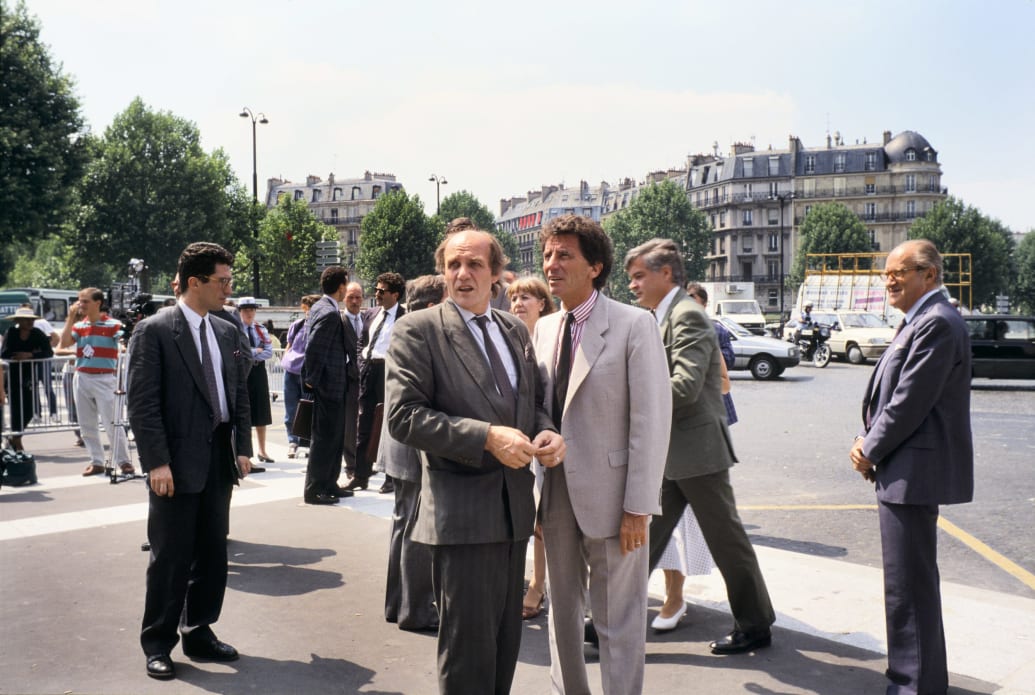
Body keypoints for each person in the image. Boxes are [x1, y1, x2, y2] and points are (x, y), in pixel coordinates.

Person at [386, 228, 564, 695]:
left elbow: (532, 401)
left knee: (505, 645)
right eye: (453, 266)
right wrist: (485, 437)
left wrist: (545, 429)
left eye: (475, 265)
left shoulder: (511, 329)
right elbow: (403, 418)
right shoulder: (418, 330)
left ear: (497, 275)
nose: (463, 275)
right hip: (461, 517)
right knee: (467, 652)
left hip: (513, 512)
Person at [533, 215, 670, 695]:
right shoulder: (545, 328)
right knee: (560, 618)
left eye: (564, 255)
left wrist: (639, 506)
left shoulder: (636, 325)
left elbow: (651, 423)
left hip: (616, 502)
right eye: (548, 254)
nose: (551, 264)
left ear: (595, 266)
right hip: (554, 493)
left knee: (618, 621)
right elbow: (542, 408)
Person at [626, 238, 776, 656]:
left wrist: (627, 405)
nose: (633, 286)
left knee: (726, 542)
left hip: (696, 454)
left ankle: (755, 625)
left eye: (639, 276)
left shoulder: (687, 316)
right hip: (673, 454)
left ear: (666, 274)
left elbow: (685, 388)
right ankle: (609, 622)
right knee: (641, 542)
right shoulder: (662, 316)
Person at [850, 239, 973, 695]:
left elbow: (909, 401)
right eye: (886, 273)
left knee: (909, 591)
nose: (889, 281)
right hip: (903, 468)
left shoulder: (936, 322)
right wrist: (866, 443)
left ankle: (913, 686)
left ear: (930, 275)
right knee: (907, 588)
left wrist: (870, 449)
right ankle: (916, 681)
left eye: (898, 272)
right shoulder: (923, 320)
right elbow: (893, 397)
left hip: (911, 472)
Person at [127, 241, 253, 681]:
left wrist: (242, 447)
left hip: (218, 456)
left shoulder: (226, 330)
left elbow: (236, 391)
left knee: (212, 553)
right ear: (194, 282)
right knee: (171, 556)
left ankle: (199, 629)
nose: (228, 289)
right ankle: (159, 642)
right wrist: (156, 462)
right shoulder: (155, 330)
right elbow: (143, 405)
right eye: (222, 281)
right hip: (175, 463)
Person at [380, 274, 445, 633]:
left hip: (400, 446)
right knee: (415, 529)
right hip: (412, 446)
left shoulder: (405, 327)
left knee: (404, 524)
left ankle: (400, 603)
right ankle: (416, 609)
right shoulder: (420, 332)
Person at [506, 276, 557, 621]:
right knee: (536, 519)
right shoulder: (510, 338)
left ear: (543, 302)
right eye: (513, 298)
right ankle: (536, 583)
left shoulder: (554, 334)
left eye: (526, 297)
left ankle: (540, 585)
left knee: (549, 518)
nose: (518, 304)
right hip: (524, 441)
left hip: (556, 437)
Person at [59, 288, 134, 476]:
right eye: (79, 301)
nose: (80, 305)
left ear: (98, 303)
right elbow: (63, 343)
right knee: (86, 423)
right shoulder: (79, 326)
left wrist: (123, 346)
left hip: (104, 377)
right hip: (82, 376)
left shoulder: (112, 325)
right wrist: (70, 318)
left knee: (112, 422)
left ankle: (123, 461)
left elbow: (125, 341)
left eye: (85, 301)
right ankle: (97, 461)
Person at [302, 266, 355, 505]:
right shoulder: (329, 313)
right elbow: (314, 349)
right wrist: (312, 381)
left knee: (334, 437)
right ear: (341, 287)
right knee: (325, 439)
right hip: (328, 386)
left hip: (333, 384)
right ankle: (315, 489)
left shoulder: (320, 307)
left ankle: (329, 483)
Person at [350, 271, 406, 494]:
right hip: (368, 371)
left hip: (389, 372)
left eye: (382, 291)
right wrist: (361, 362)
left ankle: (391, 477)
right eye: (376, 290)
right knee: (363, 424)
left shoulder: (405, 317)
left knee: (388, 426)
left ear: (395, 294)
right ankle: (360, 475)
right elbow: (361, 341)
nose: (377, 294)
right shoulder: (371, 314)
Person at [2, 307, 54, 452]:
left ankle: (14, 438)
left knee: (30, 410)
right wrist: (16, 356)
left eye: (31, 320)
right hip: (12, 377)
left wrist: (30, 355)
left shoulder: (37, 333)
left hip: (29, 377)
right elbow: (4, 354)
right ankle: (17, 441)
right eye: (26, 320)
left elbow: (49, 352)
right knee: (16, 410)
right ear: (18, 321)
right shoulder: (11, 333)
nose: (30, 322)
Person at [238, 298, 274, 465]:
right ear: (240, 311)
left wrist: (250, 353)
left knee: (261, 411)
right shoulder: (236, 329)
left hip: (258, 372)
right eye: (245, 310)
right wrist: (254, 351)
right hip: (242, 372)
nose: (249, 313)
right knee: (244, 413)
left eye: (252, 309)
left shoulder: (260, 330)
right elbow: (238, 352)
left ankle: (262, 450)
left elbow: (268, 352)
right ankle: (246, 453)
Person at [282, 294, 318, 459]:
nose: (308, 311)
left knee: (307, 409)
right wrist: (286, 359)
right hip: (291, 371)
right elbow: (289, 345)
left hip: (308, 373)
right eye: (306, 308)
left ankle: (306, 443)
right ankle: (292, 442)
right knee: (290, 409)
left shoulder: (319, 327)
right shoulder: (297, 325)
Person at [341, 282, 364, 476]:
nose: (355, 301)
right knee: (349, 424)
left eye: (358, 297)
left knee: (365, 423)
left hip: (367, 381)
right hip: (348, 382)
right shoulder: (339, 321)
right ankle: (351, 464)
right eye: (351, 297)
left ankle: (364, 463)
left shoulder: (368, 319)